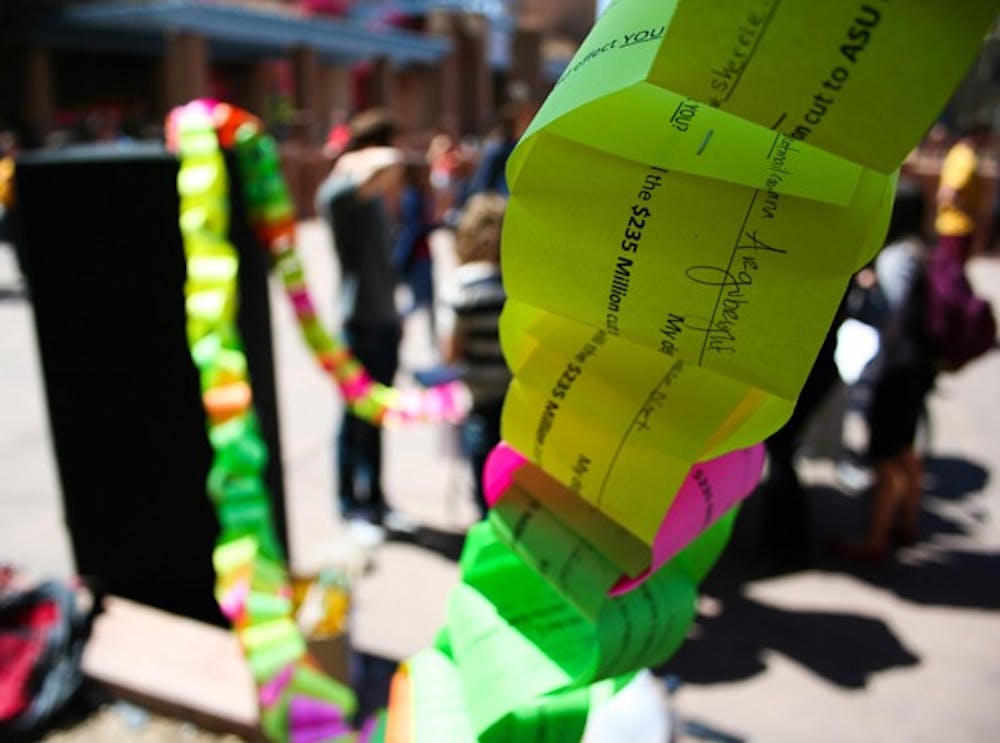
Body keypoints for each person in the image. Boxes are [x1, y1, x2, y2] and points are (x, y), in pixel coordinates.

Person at [833, 183, 936, 561]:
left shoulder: (897, 257)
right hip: (917, 363)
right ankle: (907, 519)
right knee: (905, 449)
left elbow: (892, 312)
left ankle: (876, 536)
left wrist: (868, 289)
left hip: (897, 365)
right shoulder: (923, 250)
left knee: (885, 453)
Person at [315, 109, 404, 526]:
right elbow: (388, 163)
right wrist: (356, 159)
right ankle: (349, 503)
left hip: (385, 319)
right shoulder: (338, 193)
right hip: (359, 322)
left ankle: (377, 496)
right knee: (353, 419)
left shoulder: (368, 196)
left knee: (378, 415)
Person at [438, 193, 511, 518]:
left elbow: (451, 353)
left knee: (485, 487)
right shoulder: (518, 282)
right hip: (518, 399)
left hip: (480, 398)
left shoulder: (461, 286)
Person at [934, 122, 988, 260]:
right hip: (958, 226)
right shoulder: (966, 159)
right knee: (951, 274)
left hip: (951, 224)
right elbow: (949, 193)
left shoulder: (956, 152)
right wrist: (973, 213)